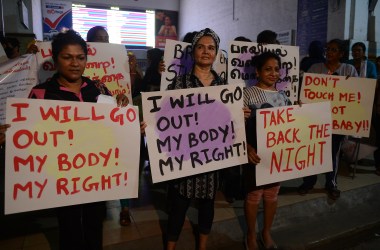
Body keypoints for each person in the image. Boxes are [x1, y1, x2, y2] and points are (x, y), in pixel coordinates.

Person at [28, 30, 129, 250]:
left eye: (80, 57)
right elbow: (29, 140)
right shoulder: (40, 94)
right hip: (63, 178)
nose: (75, 63)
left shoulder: (99, 89)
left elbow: (114, 127)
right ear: (55, 60)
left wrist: (123, 111)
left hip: (95, 175)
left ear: (86, 59)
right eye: (67, 57)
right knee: (69, 228)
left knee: (95, 226)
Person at [165, 28, 225, 250]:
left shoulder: (224, 86)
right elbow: (164, 117)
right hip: (185, 158)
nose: (206, 51)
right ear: (193, 52)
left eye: (211, 48)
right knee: (179, 205)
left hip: (213, 158)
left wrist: (241, 115)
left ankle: (202, 246)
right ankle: (170, 246)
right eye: (201, 47)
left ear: (216, 53)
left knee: (207, 204)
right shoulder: (179, 84)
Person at [86, 25, 144, 226]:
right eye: (98, 38)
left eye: (106, 38)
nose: (103, 41)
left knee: (121, 162)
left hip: (117, 118)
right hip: (92, 125)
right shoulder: (81, 64)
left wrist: (132, 70)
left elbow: (131, 90)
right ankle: (96, 205)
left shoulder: (117, 61)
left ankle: (125, 207)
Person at [298, 39, 358, 200]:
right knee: (311, 152)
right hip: (315, 119)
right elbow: (305, 90)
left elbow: (356, 94)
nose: (329, 52)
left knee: (333, 153)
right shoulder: (315, 68)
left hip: (337, 121)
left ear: (341, 53)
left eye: (333, 49)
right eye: (327, 49)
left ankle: (331, 183)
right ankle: (308, 182)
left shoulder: (349, 70)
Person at [243, 52, 291, 250]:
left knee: (272, 195)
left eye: (276, 69)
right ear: (258, 71)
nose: (273, 73)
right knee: (254, 196)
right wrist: (246, 147)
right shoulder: (247, 94)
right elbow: (237, 127)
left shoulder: (284, 97)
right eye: (268, 69)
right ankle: (251, 236)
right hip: (254, 154)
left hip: (276, 156)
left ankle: (266, 232)